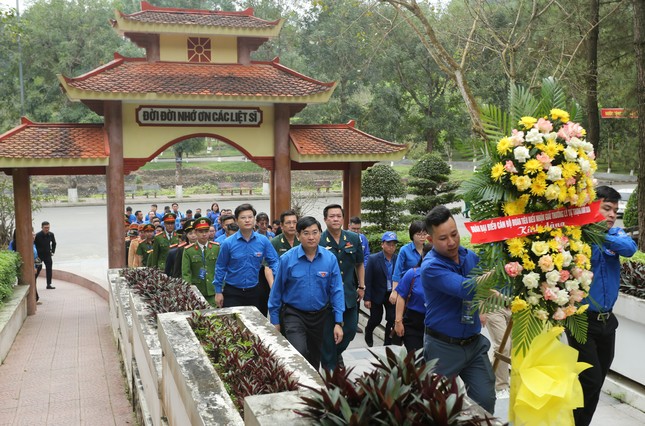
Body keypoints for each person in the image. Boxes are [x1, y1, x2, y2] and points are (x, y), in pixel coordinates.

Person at [566, 186, 637, 426]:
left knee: (596, 382)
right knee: (591, 379)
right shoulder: (576, 239)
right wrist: (588, 232)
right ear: (591, 207)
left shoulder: (615, 235)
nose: (611, 215)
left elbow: (630, 249)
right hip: (582, 321)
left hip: (608, 322)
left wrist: (600, 234)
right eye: (606, 208)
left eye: (615, 211)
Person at [421, 205, 495, 414]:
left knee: (485, 401)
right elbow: (468, 289)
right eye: (443, 238)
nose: (451, 242)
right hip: (443, 347)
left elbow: (492, 284)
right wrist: (503, 270)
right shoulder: (431, 267)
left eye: (454, 234)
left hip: (473, 345)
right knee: (439, 409)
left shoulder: (469, 256)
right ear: (430, 240)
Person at [268, 216, 345, 370]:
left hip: (320, 316)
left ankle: (312, 391)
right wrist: (275, 321)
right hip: (294, 314)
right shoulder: (287, 260)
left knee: (315, 357)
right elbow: (277, 292)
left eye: (315, 232)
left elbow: (336, 290)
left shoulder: (330, 259)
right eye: (306, 233)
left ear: (320, 234)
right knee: (299, 352)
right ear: (298, 236)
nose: (311, 237)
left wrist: (338, 322)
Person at [320, 204, 365, 370]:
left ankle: (336, 354)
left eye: (338, 216)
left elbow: (359, 263)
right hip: (326, 298)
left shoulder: (353, 238)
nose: (335, 219)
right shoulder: (320, 240)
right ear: (325, 219)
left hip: (348, 295)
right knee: (328, 337)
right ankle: (330, 374)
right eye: (331, 216)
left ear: (343, 218)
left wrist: (362, 286)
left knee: (351, 330)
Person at [212, 203, 279, 311]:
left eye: (250, 217)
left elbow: (274, 261)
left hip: (255, 291)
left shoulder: (263, 241)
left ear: (254, 220)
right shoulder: (228, 243)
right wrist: (218, 291)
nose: (247, 220)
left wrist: (278, 279)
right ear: (237, 220)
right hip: (233, 292)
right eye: (243, 218)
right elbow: (220, 267)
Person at [393, 244, 433, 354]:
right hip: (413, 323)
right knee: (416, 358)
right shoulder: (412, 274)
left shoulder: (445, 277)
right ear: (423, 257)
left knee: (431, 362)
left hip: (434, 325)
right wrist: (398, 321)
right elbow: (401, 297)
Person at [364, 231, 399, 347]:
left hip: (392, 294)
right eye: (388, 244)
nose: (391, 247)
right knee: (376, 319)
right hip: (377, 294)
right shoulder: (374, 259)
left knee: (392, 318)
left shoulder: (397, 259)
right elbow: (368, 279)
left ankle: (387, 343)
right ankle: (368, 331)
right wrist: (367, 298)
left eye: (393, 244)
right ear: (382, 244)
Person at [182, 217, 220, 306]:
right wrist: (189, 290)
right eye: (201, 231)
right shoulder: (189, 250)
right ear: (195, 232)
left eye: (206, 231)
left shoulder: (216, 248)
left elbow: (221, 268)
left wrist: (221, 288)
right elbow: (186, 273)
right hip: (197, 291)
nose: (204, 234)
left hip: (214, 290)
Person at [390, 221, 427, 304]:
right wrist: (394, 291)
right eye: (419, 234)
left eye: (424, 234)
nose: (422, 237)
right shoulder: (405, 250)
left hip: (423, 287)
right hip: (407, 287)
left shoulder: (429, 249)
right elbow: (397, 272)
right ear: (412, 235)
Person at [9, 229, 41, 304]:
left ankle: (34, 298)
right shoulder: (15, 243)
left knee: (32, 281)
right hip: (24, 266)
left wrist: (35, 266)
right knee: (28, 282)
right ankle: (33, 299)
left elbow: (33, 256)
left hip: (29, 265)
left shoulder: (30, 242)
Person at [34, 221, 57, 290]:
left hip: (47, 255)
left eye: (48, 227)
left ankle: (48, 284)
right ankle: (33, 282)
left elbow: (54, 243)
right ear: (42, 227)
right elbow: (33, 245)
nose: (47, 229)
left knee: (49, 269)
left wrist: (52, 251)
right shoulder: (37, 235)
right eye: (45, 228)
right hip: (39, 256)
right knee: (38, 269)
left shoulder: (51, 234)